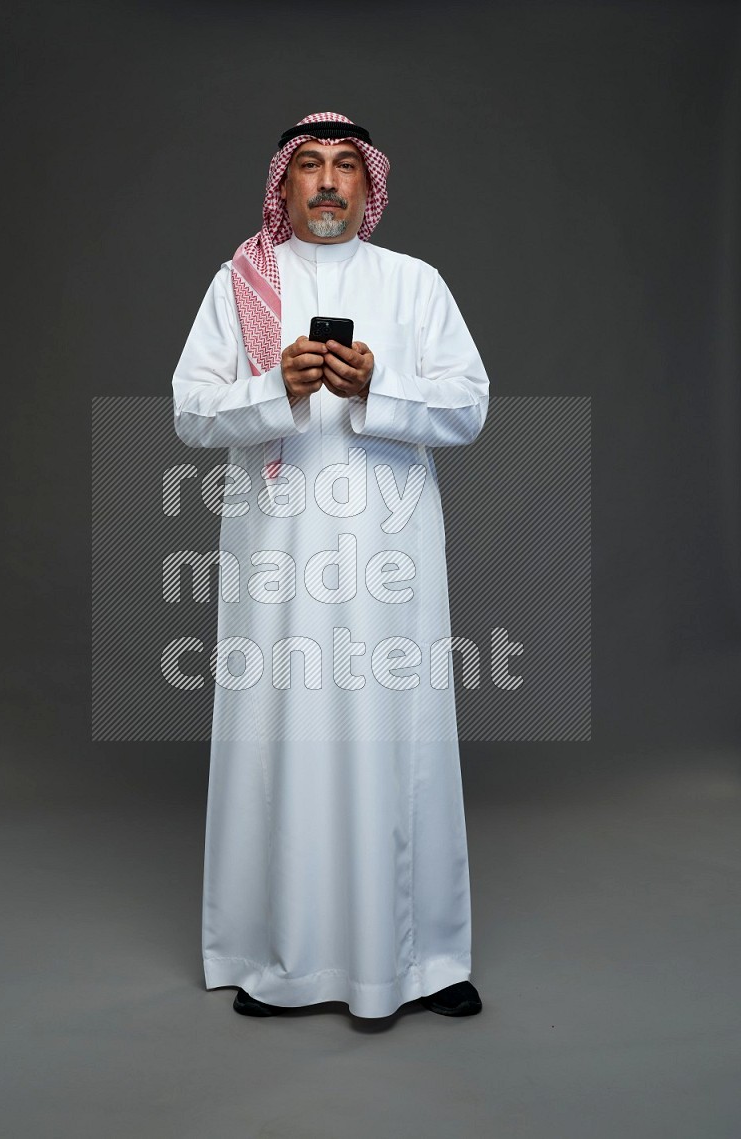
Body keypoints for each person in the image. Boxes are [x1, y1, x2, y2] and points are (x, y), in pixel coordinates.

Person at [171, 112, 490, 1019]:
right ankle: (285, 961)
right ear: (282, 185)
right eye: (308, 165)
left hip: (390, 557)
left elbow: (468, 408)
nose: (326, 182)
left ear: (368, 185)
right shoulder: (239, 287)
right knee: (284, 734)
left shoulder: (415, 284)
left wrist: (374, 389)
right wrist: (278, 386)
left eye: (346, 166)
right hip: (278, 559)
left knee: (406, 735)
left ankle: (423, 958)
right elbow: (192, 413)